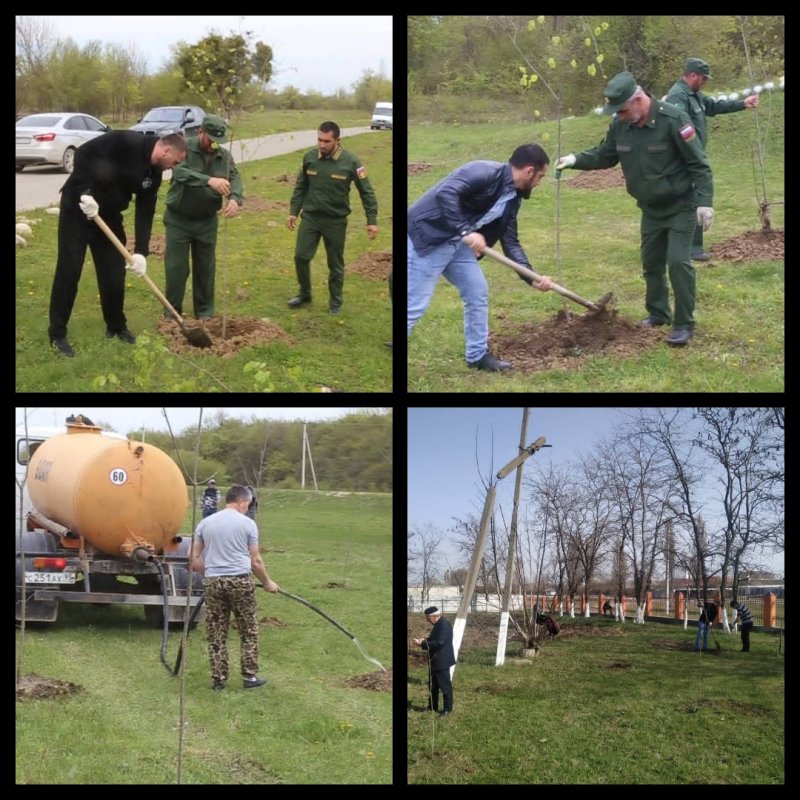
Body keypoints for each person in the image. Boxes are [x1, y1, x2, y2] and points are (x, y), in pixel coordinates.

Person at [555, 72, 714, 347]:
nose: (620, 115)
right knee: (651, 264)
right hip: (650, 208)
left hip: (680, 206)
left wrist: (705, 202)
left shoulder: (674, 120)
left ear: (639, 100)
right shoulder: (621, 125)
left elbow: (699, 163)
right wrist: (574, 159)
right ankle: (658, 313)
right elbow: (605, 155)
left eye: (623, 109)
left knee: (678, 263)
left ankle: (684, 324)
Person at [407, 144, 555, 372]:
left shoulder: (512, 198)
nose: (539, 182)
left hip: (458, 244)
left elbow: (511, 241)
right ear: (529, 170)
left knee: (477, 292)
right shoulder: (482, 171)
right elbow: (446, 193)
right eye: (540, 176)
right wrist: (466, 230)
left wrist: (531, 277)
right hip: (429, 236)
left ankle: (477, 356)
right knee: (415, 303)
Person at [48, 131, 188, 357]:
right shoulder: (125, 141)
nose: (173, 167)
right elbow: (83, 153)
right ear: (166, 150)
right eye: (175, 162)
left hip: (109, 217)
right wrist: (85, 193)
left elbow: (145, 211)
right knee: (69, 270)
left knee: (113, 273)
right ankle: (57, 334)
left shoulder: (154, 175)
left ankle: (116, 327)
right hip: (79, 209)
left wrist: (141, 252)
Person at [665, 58, 760, 261]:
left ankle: (692, 246)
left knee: (695, 197)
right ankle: (690, 248)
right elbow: (675, 128)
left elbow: (714, 106)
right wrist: (690, 156)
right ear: (692, 75)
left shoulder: (694, 95)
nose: (705, 82)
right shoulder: (678, 96)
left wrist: (743, 103)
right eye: (703, 78)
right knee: (690, 200)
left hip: (693, 157)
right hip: (684, 159)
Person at [190, 484, 280, 690]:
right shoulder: (248, 524)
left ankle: (218, 680)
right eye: (248, 504)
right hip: (240, 581)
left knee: (216, 632)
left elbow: (194, 560)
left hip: (213, 582)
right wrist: (267, 582)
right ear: (242, 502)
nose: (248, 508)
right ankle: (250, 677)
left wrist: (211, 574)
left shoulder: (205, 523)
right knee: (248, 630)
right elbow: (255, 561)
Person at [287, 121, 378, 315]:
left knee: (335, 264)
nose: (321, 144)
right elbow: (301, 187)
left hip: (335, 221)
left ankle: (335, 302)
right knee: (301, 256)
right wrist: (293, 211)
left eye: (326, 141)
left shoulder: (351, 162)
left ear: (337, 140)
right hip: (311, 218)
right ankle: (305, 294)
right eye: (319, 139)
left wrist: (371, 221)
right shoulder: (309, 158)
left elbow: (367, 192)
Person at [163, 115, 243, 320]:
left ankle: (205, 312)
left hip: (206, 220)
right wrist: (209, 181)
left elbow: (234, 176)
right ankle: (172, 314)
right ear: (200, 132)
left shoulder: (223, 156)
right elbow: (179, 172)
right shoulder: (184, 148)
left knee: (206, 268)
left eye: (218, 140)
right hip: (179, 219)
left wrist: (235, 198)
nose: (214, 144)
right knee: (177, 269)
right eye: (210, 139)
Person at [412, 606, 456, 716]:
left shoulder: (444, 625)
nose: (427, 620)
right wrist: (424, 640)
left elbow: (440, 642)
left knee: (445, 686)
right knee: (433, 686)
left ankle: (447, 709)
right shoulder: (437, 624)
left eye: (428, 618)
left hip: (442, 661)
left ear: (434, 616)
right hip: (435, 661)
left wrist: (422, 644)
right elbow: (434, 639)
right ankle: (432, 706)